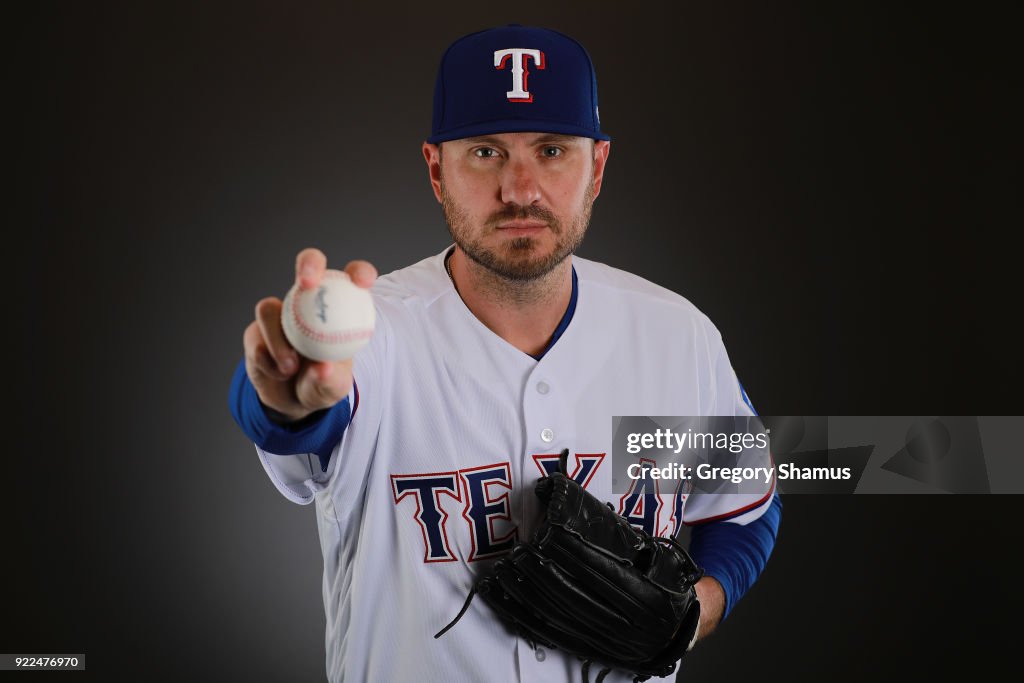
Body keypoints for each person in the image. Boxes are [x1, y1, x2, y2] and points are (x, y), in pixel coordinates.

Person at [230, 24, 781, 683]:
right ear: (437, 170)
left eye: (551, 150)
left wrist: (695, 611)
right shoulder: (375, 339)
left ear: (597, 166)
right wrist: (281, 395)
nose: (521, 189)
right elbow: (298, 411)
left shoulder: (676, 337)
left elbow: (747, 504)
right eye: (487, 152)